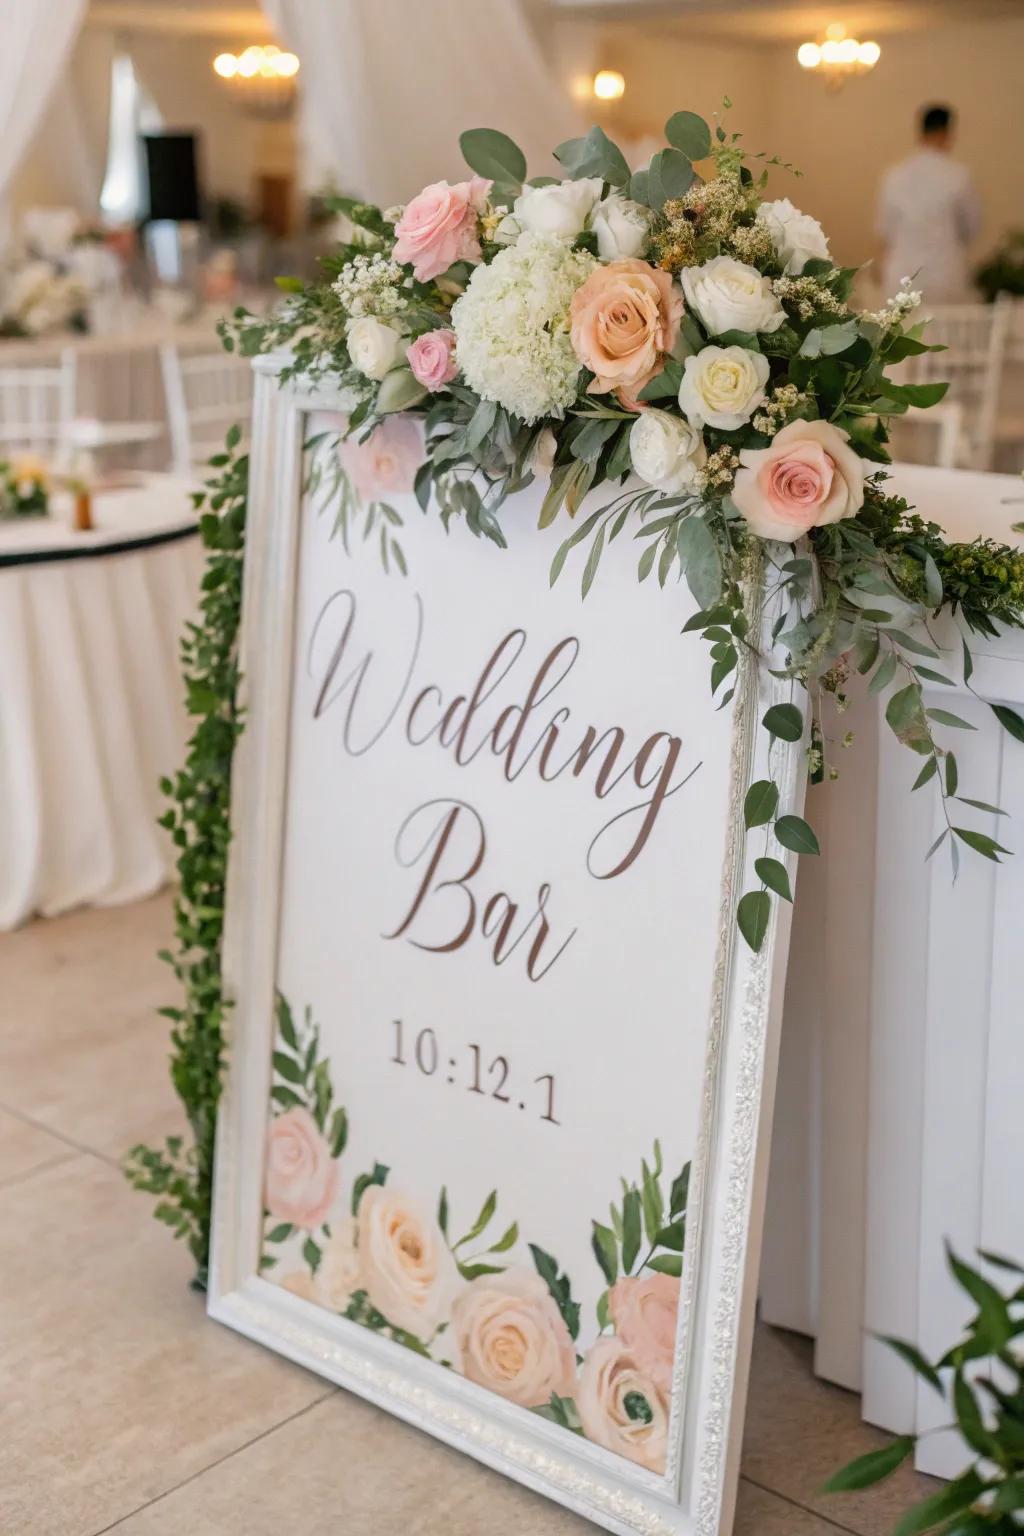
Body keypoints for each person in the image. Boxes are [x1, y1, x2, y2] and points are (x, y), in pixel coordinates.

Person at [877, 104, 981, 302]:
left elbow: (885, 231)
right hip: (945, 274)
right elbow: (972, 227)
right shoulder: (958, 176)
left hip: (902, 275)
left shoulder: (894, 176)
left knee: (903, 322)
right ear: (946, 133)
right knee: (945, 323)